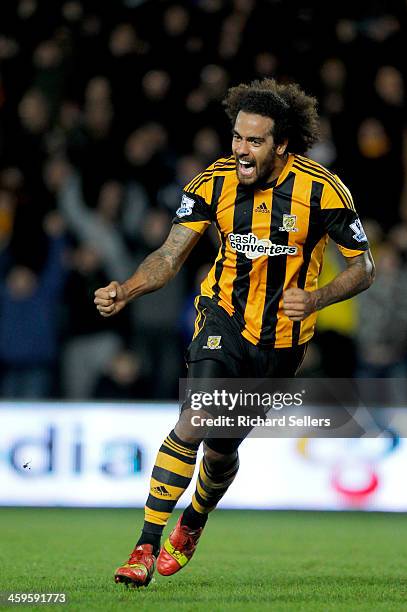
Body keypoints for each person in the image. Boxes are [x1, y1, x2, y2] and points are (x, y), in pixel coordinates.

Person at [94, 78, 375, 587]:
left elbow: (365, 267)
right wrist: (128, 289)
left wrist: (316, 298)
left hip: (280, 346)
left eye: (254, 141)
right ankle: (144, 545)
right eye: (237, 137)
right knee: (197, 416)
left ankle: (195, 520)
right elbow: (168, 256)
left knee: (222, 451)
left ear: (281, 144)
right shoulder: (211, 183)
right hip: (221, 317)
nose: (241, 151)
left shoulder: (324, 190)